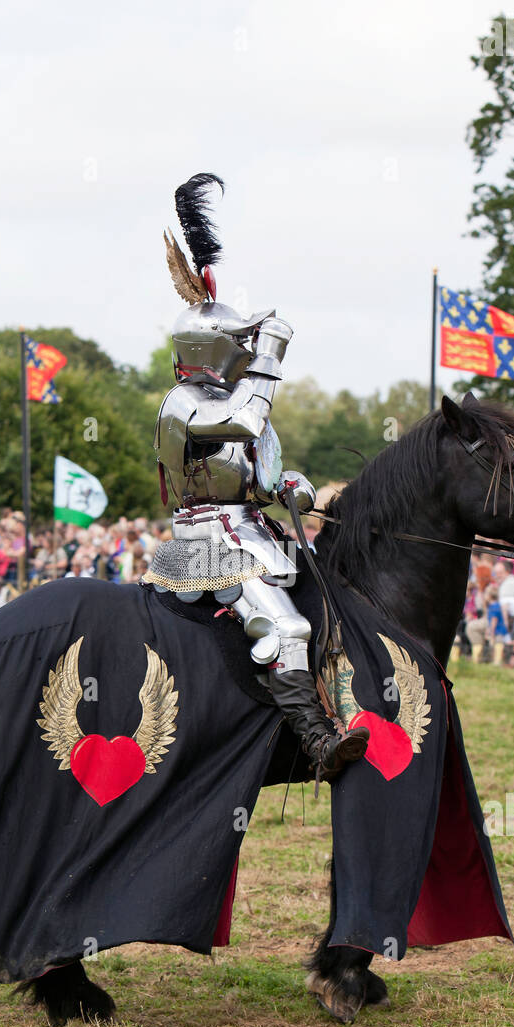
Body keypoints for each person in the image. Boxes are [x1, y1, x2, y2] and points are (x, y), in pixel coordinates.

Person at [143, 172, 368, 780]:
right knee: (287, 625)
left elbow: (260, 477)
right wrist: (271, 357)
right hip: (206, 541)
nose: (248, 351)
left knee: (329, 605)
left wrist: (288, 487)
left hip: (253, 531)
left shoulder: (231, 406)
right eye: (241, 344)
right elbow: (245, 422)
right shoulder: (183, 403)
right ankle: (319, 744)